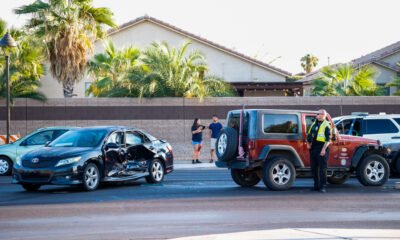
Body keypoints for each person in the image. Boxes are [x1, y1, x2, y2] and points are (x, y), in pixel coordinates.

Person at [307, 109, 331, 193]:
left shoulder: (326, 125)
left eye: (318, 114)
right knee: (314, 168)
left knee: (322, 169)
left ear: (322, 115)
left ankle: (322, 186)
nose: (316, 115)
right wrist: (308, 144)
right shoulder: (314, 123)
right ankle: (316, 186)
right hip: (314, 148)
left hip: (322, 147)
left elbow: (328, 140)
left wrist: (323, 149)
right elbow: (309, 135)